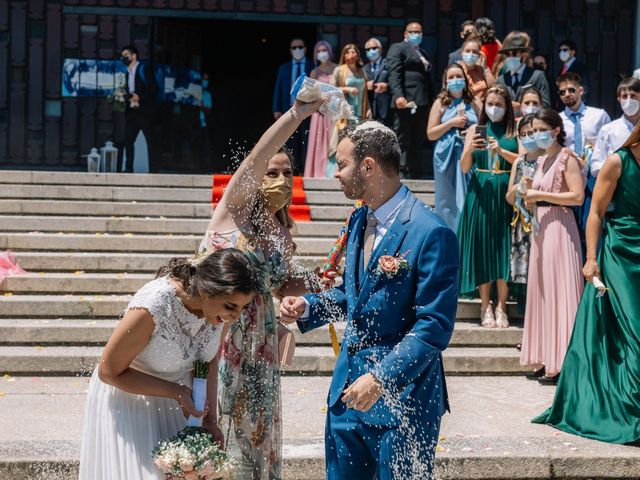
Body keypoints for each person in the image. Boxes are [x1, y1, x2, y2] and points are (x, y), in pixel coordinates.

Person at [279, 121, 459, 480]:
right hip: (347, 394)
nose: (334, 173)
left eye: (341, 163)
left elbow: (433, 327)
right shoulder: (361, 218)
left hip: (402, 400)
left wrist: (381, 378)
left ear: (368, 166)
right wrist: (310, 307)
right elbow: (355, 295)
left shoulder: (431, 231)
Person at [199, 97, 323, 479]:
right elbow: (258, 154)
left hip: (261, 343)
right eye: (272, 173)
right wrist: (297, 114)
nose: (281, 180)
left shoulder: (282, 233)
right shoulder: (232, 210)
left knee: (257, 434)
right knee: (216, 427)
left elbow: (282, 285)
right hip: (218, 335)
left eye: (288, 173)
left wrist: (319, 280)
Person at [78, 249, 259, 480]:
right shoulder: (154, 305)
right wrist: (177, 393)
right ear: (207, 289)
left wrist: (209, 421)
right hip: (130, 402)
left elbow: (209, 360)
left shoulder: (217, 313)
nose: (235, 316)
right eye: (231, 306)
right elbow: (108, 371)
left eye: (242, 308)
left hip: (176, 402)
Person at [532, 122, 640, 443]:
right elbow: (595, 213)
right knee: (633, 332)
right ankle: (627, 409)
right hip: (621, 251)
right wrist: (591, 258)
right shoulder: (618, 161)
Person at [519, 107, 585, 385]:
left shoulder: (566, 158)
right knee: (544, 292)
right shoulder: (541, 160)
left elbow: (578, 196)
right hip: (541, 226)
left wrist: (539, 193)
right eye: (533, 131)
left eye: (541, 129)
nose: (537, 135)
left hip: (560, 225)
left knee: (561, 291)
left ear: (556, 129)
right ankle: (547, 355)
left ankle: (564, 361)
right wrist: (527, 195)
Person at [458, 85, 521, 328]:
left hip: (506, 191)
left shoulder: (513, 130)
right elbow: (465, 167)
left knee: (504, 248)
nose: (494, 108)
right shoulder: (477, 129)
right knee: (484, 247)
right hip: (481, 191)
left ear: (507, 108)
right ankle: (485, 305)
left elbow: (524, 160)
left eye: (499, 104)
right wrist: (470, 148)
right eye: (490, 104)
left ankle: (502, 305)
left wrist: (501, 150)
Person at [557, 72, 611, 248]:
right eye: (562, 92)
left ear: (581, 90)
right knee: (571, 226)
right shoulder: (558, 119)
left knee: (593, 220)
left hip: (592, 176)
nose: (567, 94)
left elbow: (608, 146)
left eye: (571, 90)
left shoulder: (599, 115)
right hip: (569, 177)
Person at [427, 63, 479, 231]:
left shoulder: (475, 102)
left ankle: (469, 233)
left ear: (465, 79)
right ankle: (449, 233)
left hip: (470, 152)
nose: (455, 80)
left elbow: (484, 128)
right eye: (451, 77)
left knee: (471, 194)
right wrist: (451, 123)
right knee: (447, 198)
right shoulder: (440, 103)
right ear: (445, 82)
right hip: (445, 154)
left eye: (458, 76)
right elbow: (431, 133)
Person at [387, 21, 435, 179]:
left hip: (422, 103)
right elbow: (394, 73)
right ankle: (400, 170)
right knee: (402, 137)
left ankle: (415, 170)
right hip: (405, 102)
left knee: (418, 138)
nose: (417, 34)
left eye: (420, 32)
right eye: (414, 31)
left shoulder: (423, 53)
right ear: (406, 34)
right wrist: (398, 95)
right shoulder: (398, 48)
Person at [506, 114, 543, 284]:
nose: (527, 138)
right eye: (523, 134)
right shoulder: (519, 162)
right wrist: (517, 187)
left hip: (542, 218)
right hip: (522, 220)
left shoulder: (547, 158)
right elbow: (509, 198)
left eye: (531, 133)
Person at [326, 44, 371, 176]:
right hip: (344, 112)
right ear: (344, 55)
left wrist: (368, 109)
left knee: (357, 140)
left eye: (354, 52)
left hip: (358, 111)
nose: (351, 55)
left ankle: (354, 169)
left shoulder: (361, 71)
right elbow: (331, 89)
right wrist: (347, 89)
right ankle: (338, 168)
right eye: (348, 52)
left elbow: (365, 93)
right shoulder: (339, 70)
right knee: (342, 138)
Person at [272, 38, 314, 173]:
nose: (297, 50)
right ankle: (291, 169)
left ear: (305, 49)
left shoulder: (312, 66)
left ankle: (304, 169)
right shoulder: (284, 68)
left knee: (305, 139)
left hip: (307, 110)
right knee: (289, 140)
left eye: (300, 47)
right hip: (288, 109)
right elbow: (278, 88)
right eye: (294, 47)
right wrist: (276, 108)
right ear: (290, 50)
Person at [118, 45, 159, 173]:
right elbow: (131, 92)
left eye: (126, 55)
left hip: (145, 112)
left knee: (150, 140)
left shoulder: (144, 69)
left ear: (134, 56)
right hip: (132, 112)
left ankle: (154, 169)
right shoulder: (127, 73)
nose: (123, 58)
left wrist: (139, 97)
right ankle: (128, 168)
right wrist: (124, 96)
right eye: (122, 56)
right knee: (128, 140)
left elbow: (153, 88)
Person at [591, 77, 640, 177]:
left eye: (633, 96)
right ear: (618, 99)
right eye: (625, 96)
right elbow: (595, 165)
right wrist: (616, 170)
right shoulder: (608, 130)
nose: (629, 100)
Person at [304, 41, 337, 177]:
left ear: (330, 52)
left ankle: (332, 172)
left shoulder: (338, 69)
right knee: (318, 143)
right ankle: (317, 172)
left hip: (334, 112)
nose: (321, 53)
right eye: (318, 51)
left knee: (333, 141)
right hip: (319, 113)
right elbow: (310, 94)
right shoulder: (314, 72)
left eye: (324, 50)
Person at [495, 33, 551, 110]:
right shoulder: (501, 80)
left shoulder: (537, 76)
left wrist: (521, 106)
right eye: (507, 54)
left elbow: (545, 104)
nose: (510, 57)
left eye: (514, 54)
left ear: (524, 55)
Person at [363, 37, 392, 126]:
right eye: (368, 49)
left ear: (380, 49)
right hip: (371, 109)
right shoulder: (363, 69)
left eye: (374, 48)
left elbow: (397, 82)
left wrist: (387, 86)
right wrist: (365, 85)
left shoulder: (389, 64)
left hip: (387, 108)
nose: (371, 51)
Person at [458, 36, 496, 103]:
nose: (471, 54)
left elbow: (494, 87)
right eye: (467, 51)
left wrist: (485, 67)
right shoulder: (456, 69)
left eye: (474, 52)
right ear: (462, 53)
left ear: (479, 54)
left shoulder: (481, 70)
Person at [556, 39, 590, 104]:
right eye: (559, 51)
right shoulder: (562, 69)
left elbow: (585, 87)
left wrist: (582, 105)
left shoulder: (580, 67)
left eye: (565, 50)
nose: (562, 52)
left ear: (573, 52)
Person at [195, 72, 213, 172]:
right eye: (203, 79)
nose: (205, 81)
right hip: (192, 124)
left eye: (207, 79)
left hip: (203, 124)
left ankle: (205, 168)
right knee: (195, 147)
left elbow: (208, 110)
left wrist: (200, 104)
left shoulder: (207, 95)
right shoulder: (193, 91)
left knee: (204, 147)